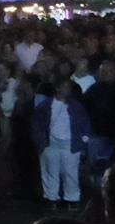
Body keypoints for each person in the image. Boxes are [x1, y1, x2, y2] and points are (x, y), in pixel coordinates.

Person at [33, 75, 94, 208]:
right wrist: (40, 141)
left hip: (70, 144)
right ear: (58, 88)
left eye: (69, 87)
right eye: (65, 87)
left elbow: (84, 123)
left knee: (70, 172)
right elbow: (37, 123)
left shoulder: (76, 106)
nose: (67, 90)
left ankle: (71, 198)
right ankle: (51, 197)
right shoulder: (46, 105)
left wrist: (84, 139)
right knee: (51, 171)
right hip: (50, 144)